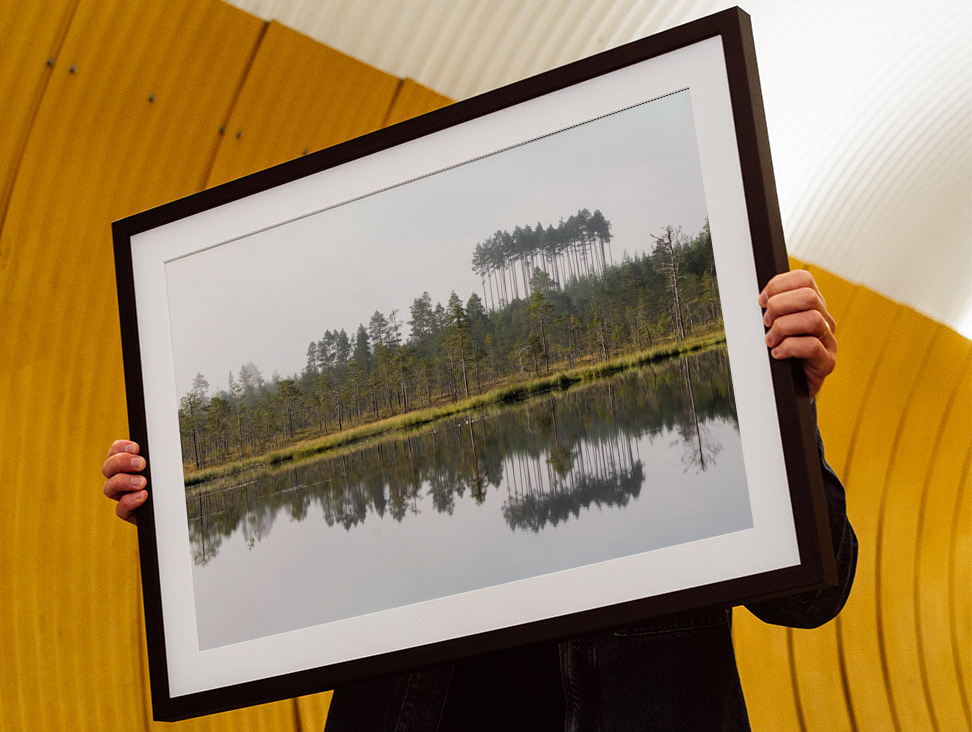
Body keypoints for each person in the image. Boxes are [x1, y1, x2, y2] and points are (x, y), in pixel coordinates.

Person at [102, 269, 857, 730]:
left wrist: (786, 401)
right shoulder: (404, 468)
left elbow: (814, 595)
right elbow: (298, 562)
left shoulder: (701, 399)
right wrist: (193, 497)